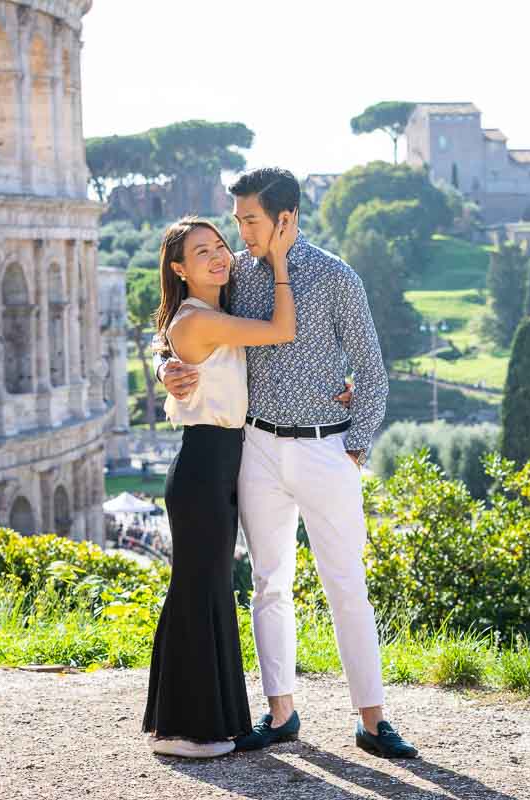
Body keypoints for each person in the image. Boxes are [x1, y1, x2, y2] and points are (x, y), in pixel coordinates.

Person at [159, 168, 418, 758]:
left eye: (249, 221)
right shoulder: (238, 277)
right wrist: (165, 368)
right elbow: (185, 323)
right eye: (236, 222)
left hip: (327, 448)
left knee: (346, 585)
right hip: (256, 449)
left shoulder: (336, 277)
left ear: (286, 219)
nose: (238, 235)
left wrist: (354, 446)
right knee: (269, 583)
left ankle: (372, 722)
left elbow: (372, 371)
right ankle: (281, 714)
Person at [141, 215, 297, 758]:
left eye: (221, 245)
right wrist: (278, 259)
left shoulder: (207, 315)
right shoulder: (199, 319)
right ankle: (186, 731)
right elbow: (282, 330)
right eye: (201, 251)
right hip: (204, 466)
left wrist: (163, 362)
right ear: (180, 269)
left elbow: (167, 343)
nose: (217, 255)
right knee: (198, 591)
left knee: (204, 590)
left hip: (215, 467)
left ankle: (199, 724)